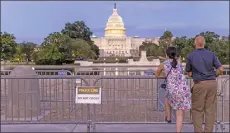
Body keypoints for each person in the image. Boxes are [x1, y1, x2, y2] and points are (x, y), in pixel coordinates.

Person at [185, 36, 223, 132]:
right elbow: (221, 69)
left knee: (197, 110)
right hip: (212, 84)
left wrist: (196, 75)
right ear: (204, 43)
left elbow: (189, 73)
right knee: (210, 110)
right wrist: (213, 75)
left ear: (195, 43)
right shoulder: (212, 54)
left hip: (199, 84)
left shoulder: (190, 56)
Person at [156, 46, 191, 132]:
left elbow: (157, 74)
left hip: (172, 90)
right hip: (183, 89)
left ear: (167, 54)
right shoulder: (178, 63)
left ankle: (168, 117)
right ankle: (178, 131)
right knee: (180, 114)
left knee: (167, 97)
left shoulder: (163, 65)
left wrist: (165, 76)